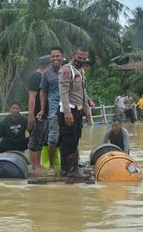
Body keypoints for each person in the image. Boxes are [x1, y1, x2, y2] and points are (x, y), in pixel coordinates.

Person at [58, 44, 92, 179]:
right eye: (79, 57)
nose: (82, 60)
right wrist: (67, 112)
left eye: (84, 58)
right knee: (69, 142)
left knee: (74, 140)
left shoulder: (81, 72)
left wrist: (87, 110)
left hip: (78, 111)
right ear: (74, 55)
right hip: (69, 111)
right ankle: (72, 170)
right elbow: (64, 92)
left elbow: (83, 93)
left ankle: (67, 169)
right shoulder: (67, 70)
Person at [39, 46, 64, 176]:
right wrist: (42, 110)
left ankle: (69, 165)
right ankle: (52, 166)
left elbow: (78, 89)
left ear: (62, 56)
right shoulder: (46, 74)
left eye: (57, 56)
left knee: (70, 137)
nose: (55, 58)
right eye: (52, 56)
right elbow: (42, 92)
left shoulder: (68, 70)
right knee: (52, 138)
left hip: (69, 110)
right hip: (54, 110)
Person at [27, 55, 51, 175]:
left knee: (41, 140)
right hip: (37, 114)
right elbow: (32, 97)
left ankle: (39, 165)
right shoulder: (35, 77)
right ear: (47, 65)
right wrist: (31, 115)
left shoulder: (44, 76)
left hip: (45, 114)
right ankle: (35, 167)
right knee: (34, 140)